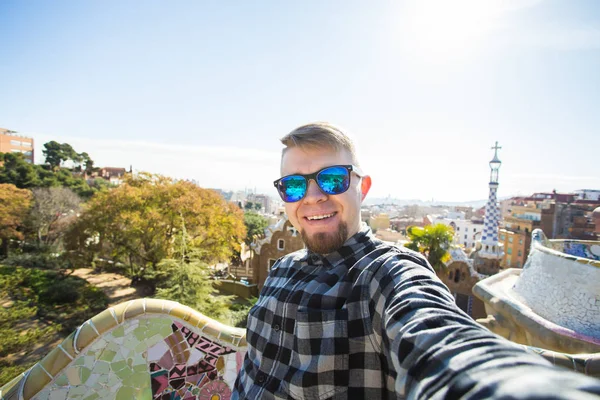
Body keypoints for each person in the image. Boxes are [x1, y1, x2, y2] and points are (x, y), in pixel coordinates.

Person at [233, 122, 600, 399]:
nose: (312, 197)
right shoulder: (281, 269)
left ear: (363, 187)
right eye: (294, 185)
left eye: (331, 180)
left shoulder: (384, 274)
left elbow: (441, 340)